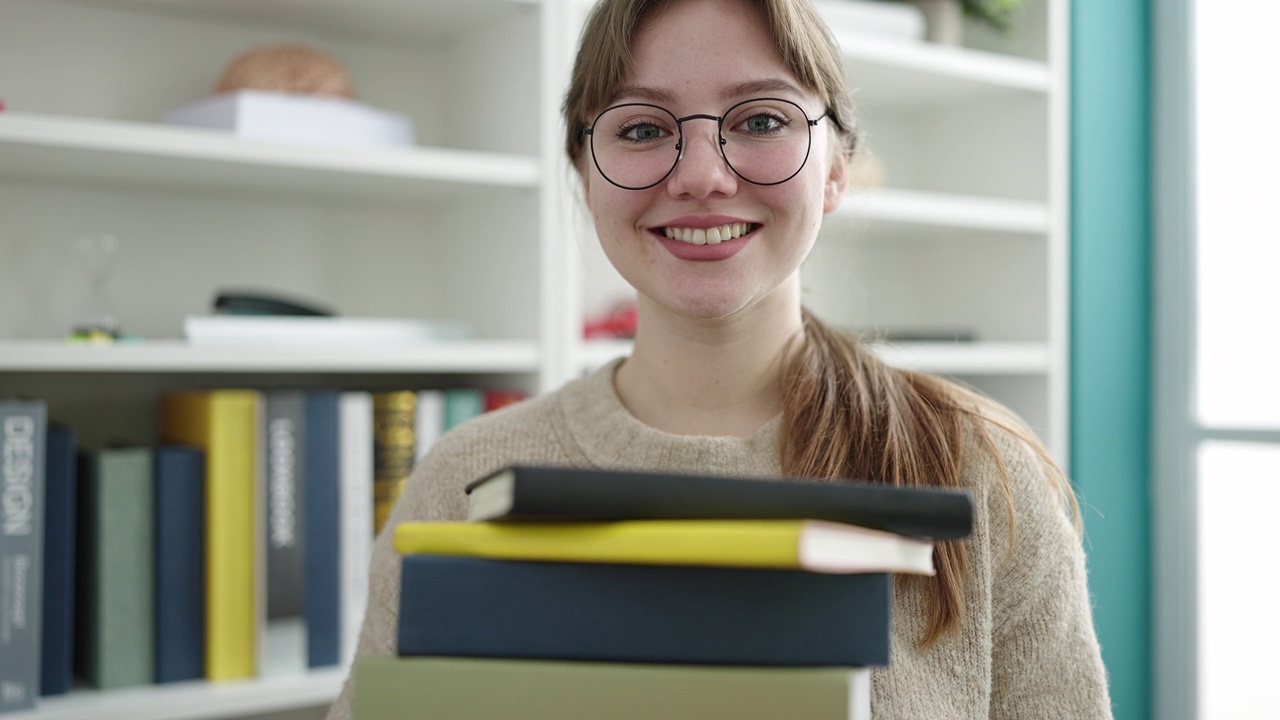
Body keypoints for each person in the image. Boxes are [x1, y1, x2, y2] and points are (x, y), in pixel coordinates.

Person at [326, 0, 1113, 716]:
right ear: (582, 172)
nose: (702, 176)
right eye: (640, 129)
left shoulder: (981, 470)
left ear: (836, 167)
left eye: (762, 120)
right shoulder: (463, 479)